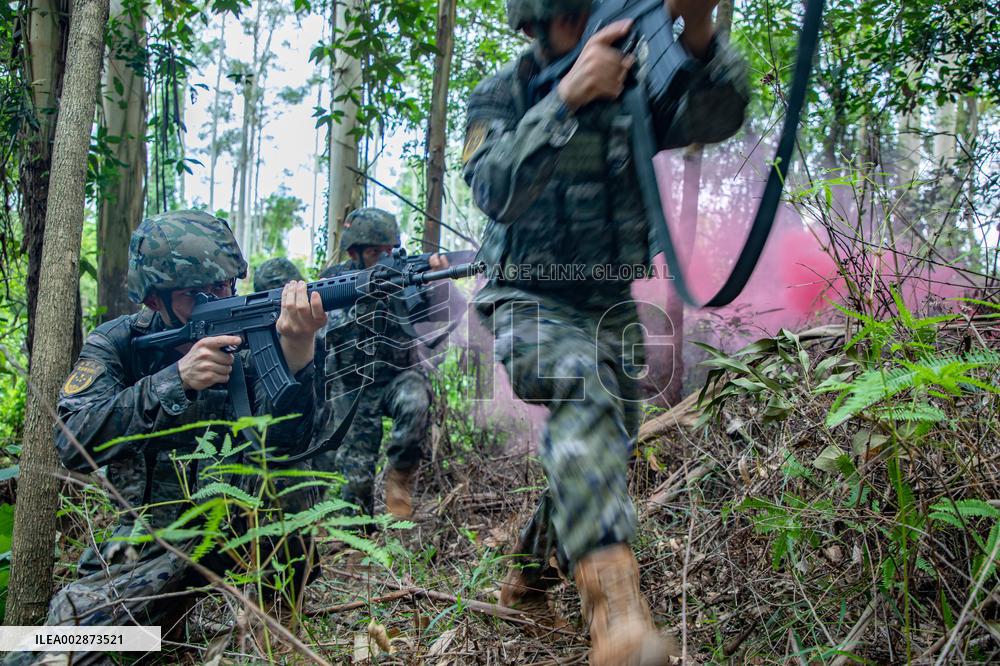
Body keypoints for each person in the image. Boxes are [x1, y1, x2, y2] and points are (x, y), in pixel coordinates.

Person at [462, 0, 748, 662]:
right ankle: (616, 615)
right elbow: (493, 187)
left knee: (602, 447)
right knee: (582, 391)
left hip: (609, 301)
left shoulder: (636, 78)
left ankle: (528, 576)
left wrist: (698, 29)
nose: (582, 27)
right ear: (534, 24)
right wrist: (564, 99)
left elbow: (715, 116)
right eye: (566, 17)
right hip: (526, 292)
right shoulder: (502, 94)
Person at [35, 211, 327, 648]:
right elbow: (73, 441)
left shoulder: (255, 335)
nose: (219, 298)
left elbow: (293, 443)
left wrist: (299, 352)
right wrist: (175, 381)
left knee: (285, 471)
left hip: (245, 526)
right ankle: (159, 633)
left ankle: (278, 620)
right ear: (154, 300)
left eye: (226, 284)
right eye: (198, 293)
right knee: (53, 646)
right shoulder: (117, 344)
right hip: (155, 539)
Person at [314, 207, 447, 520]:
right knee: (356, 476)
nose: (385, 259)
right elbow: (320, 337)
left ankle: (400, 481)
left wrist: (437, 289)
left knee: (415, 403)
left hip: (398, 376)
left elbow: (435, 334)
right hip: (352, 388)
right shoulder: (333, 282)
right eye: (376, 252)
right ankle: (356, 533)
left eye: (390, 251)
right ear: (354, 252)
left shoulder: (408, 277)